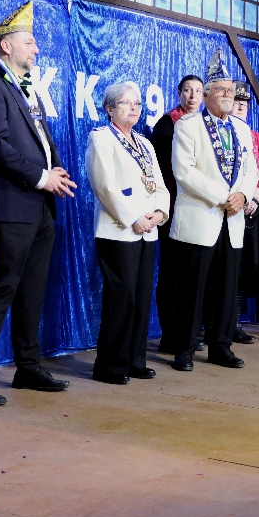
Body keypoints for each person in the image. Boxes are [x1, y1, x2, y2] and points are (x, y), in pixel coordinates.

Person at [0, 0, 77, 406]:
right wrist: (41, 176)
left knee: (32, 289)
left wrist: (55, 169)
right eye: (29, 42)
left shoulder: (26, 89)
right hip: (11, 204)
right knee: (2, 287)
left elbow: (39, 141)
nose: (36, 49)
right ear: (6, 46)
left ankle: (28, 366)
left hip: (39, 204)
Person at [164, 49, 258, 371]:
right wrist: (224, 196)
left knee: (227, 289)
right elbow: (184, 171)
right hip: (200, 218)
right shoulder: (188, 126)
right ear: (205, 95)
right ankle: (185, 349)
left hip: (232, 220)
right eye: (221, 90)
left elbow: (251, 169)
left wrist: (243, 194)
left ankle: (221, 346)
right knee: (192, 289)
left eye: (231, 90)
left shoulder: (242, 129)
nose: (228, 95)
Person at [85, 82, 170, 384]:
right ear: (110, 109)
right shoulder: (101, 138)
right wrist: (134, 217)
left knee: (141, 298)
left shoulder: (145, 143)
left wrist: (159, 213)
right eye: (125, 103)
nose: (134, 108)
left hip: (148, 231)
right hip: (118, 230)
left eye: (137, 103)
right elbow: (104, 186)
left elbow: (159, 184)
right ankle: (110, 366)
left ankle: (135, 360)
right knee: (121, 299)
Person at [151, 74, 204, 342]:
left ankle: (189, 332)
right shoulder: (167, 124)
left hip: (199, 208)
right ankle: (169, 335)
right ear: (179, 93)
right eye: (187, 90)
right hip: (172, 208)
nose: (193, 96)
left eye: (198, 91)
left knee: (193, 273)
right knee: (171, 272)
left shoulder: (206, 126)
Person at [232, 81, 259, 343]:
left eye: (244, 105)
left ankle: (235, 323)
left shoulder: (255, 137)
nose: (240, 108)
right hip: (227, 210)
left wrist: (256, 197)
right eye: (236, 104)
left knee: (246, 269)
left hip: (251, 213)